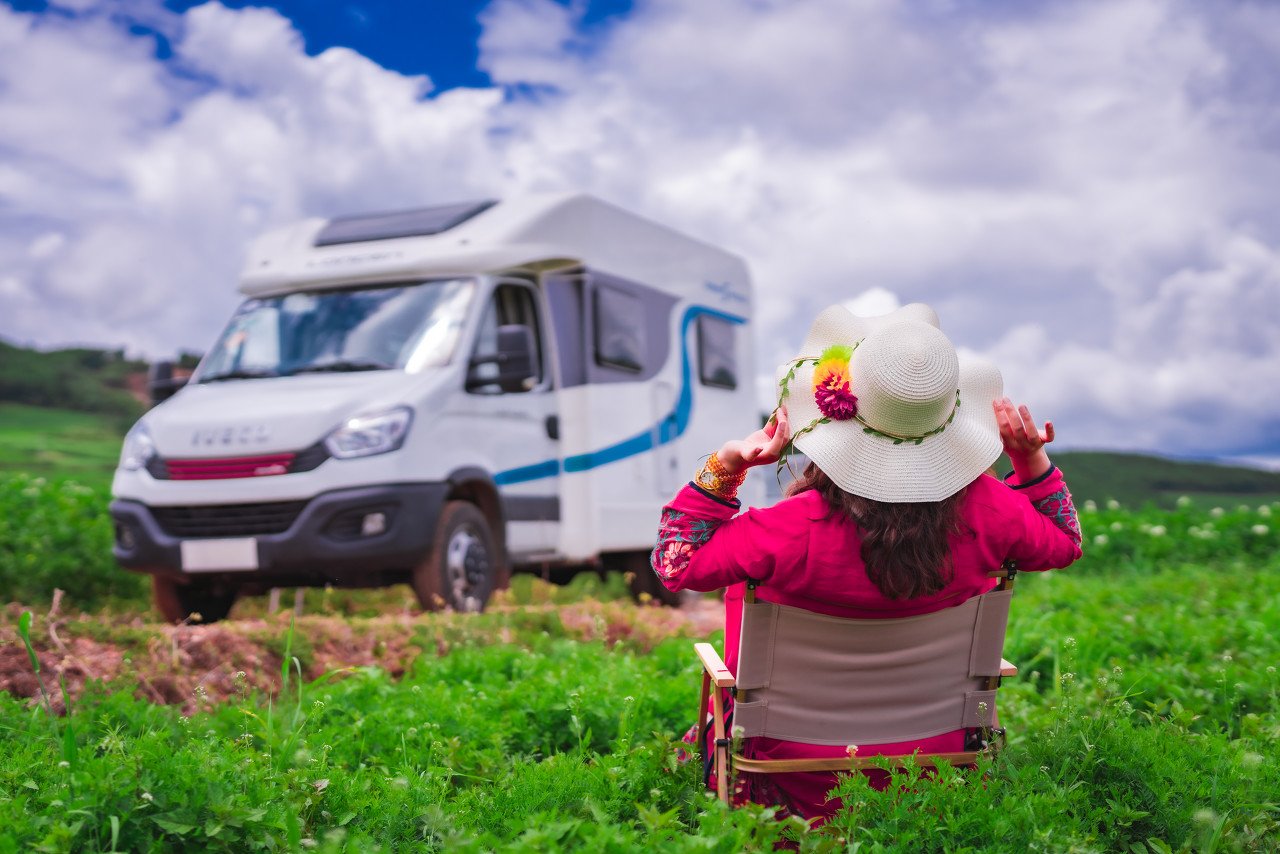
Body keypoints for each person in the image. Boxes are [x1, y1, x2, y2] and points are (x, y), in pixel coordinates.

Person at [651, 303, 1082, 823]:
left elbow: (677, 563)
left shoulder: (786, 530)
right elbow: (1065, 540)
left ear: (831, 421)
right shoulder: (993, 514)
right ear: (947, 425)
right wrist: (1029, 460)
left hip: (787, 781)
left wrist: (728, 465)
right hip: (932, 776)